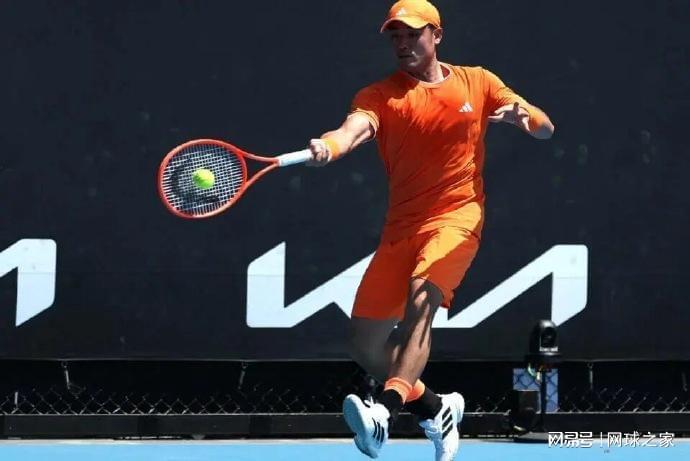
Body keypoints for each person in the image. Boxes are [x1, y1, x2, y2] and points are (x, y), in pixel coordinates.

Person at [306, 0, 554, 459]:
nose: (403, 44)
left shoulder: (478, 82)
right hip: (401, 228)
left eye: (413, 34)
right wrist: (330, 146)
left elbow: (543, 128)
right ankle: (437, 409)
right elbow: (354, 129)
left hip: (458, 218)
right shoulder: (379, 95)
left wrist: (527, 117)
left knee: (423, 299)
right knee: (365, 344)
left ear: (436, 35)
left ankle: (384, 413)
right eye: (395, 36)